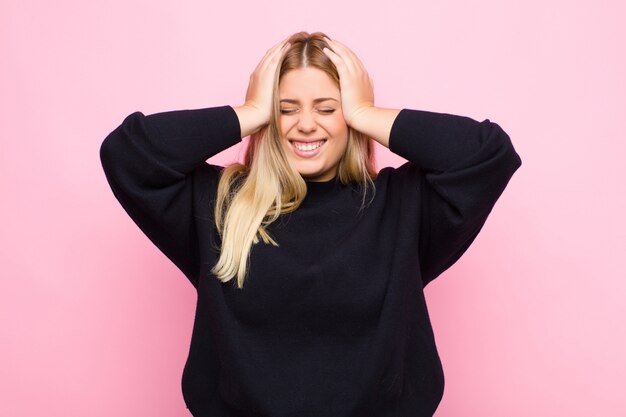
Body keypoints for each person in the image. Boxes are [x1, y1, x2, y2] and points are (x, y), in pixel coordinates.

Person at [100, 31, 522, 417]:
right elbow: (126, 154)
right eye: (286, 109)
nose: (305, 124)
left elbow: (489, 154)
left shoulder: (402, 205)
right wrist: (248, 113)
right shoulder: (220, 206)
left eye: (327, 108)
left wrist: (364, 111)